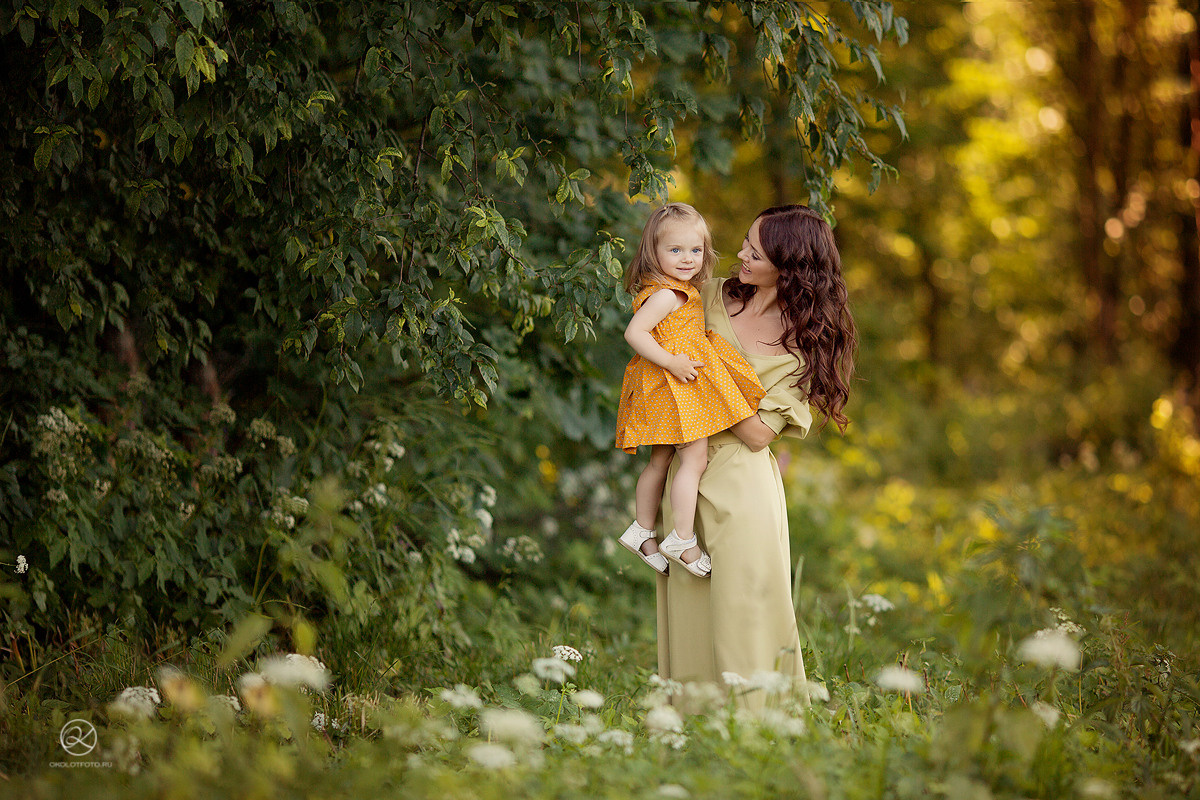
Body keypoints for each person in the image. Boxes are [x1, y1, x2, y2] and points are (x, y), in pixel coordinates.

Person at [654, 204, 857, 708]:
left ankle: (759, 729)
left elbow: (758, 433)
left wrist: (708, 368)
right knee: (690, 609)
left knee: (747, 611)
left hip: (744, 487)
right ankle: (695, 726)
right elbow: (652, 347)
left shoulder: (806, 342)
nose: (740, 254)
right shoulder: (706, 297)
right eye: (745, 241)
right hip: (687, 472)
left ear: (790, 266)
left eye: (756, 252)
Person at [614, 203, 766, 578]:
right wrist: (671, 361)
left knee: (660, 462)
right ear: (654, 252)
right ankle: (682, 538)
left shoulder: (676, 289)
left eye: (695, 250)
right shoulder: (669, 295)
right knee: (694, 459)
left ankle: (642, 530)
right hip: (672, 389)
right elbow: (634, 333)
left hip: (663, 391)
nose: (687, 259)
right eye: (675, 250)